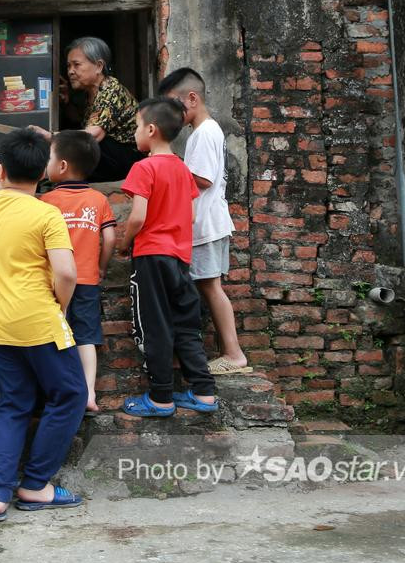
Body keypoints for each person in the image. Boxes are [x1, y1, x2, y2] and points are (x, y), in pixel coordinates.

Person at [0, 128, 87, 521]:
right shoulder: (46, 213)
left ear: (1, 169)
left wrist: (1, 165)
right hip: (38, 320)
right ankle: (36, 484)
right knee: (71, 394)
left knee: (13, 403)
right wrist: (60, 304)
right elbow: (67, 273)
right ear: (43, 173)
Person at [115, 99, 218, 416]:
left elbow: (137, 218)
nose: (134, 133)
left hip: (151, 257)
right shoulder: (183, 170)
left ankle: (161, 397)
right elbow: (188, 217)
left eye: (135, 126)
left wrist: (124, 244)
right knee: (186, 325)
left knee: (154, 325)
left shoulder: (143, 167)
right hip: (179, 258)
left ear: (150, 129)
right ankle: (203, 393)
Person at [159, 68, 249, 375]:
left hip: (206, 226)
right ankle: (227, 351)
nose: (171, 113)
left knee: (211, 288)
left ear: (192, 98)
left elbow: (202, 179)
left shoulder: (203, 133)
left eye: (175, 105)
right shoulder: (206, 131)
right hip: (211, 223)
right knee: (209, 288)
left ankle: (234, 353)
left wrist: (166, 164)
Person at [40, 130, 117, 412]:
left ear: (61, 166)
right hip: (87, 280)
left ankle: (55, 391)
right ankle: (88, 394)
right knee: (85, 337)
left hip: (53, 282)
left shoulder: (46, 201)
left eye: (49, 157)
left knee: (52, 336)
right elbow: (109, 239)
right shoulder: (98, 199)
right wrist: (101, 267)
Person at [29, 37, 143, 182]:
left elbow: (93, 135)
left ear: (99, 66)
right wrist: (67, 103)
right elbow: (80, 120)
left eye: (76, 65)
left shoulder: (111, 90)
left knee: (84, 143)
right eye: (69, 66)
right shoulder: (88, 92)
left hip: (128, 160)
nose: (70, 71)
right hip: (114, 159)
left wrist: (50, 136)